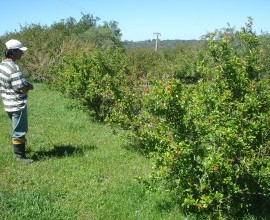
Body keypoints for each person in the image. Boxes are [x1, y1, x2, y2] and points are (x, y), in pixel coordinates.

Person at [0, 39, 34, 163]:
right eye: (20, 51)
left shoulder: (2, 65)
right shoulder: (13, 68)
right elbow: (21, 90)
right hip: (17, 105)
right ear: (13, 52)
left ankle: (20, 151)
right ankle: (20, 156)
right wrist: (29, 86)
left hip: (8, 103)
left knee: (17, 128)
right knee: (19, 130)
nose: (22, 53)